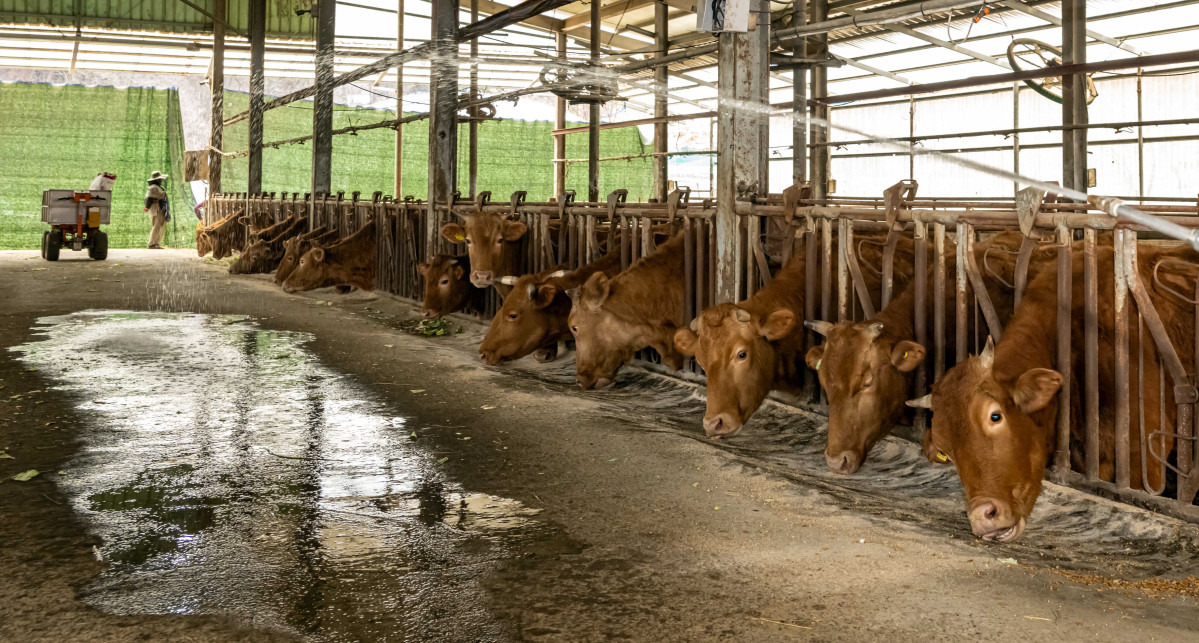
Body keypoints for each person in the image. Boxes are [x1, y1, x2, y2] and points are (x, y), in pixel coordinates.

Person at [143, 170, 170, 249]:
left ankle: (156, 243)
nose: (161, 180)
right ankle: (152, 243)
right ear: (156, 179)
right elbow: (149, 198)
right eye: (159, 179)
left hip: (161, 208)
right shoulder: (153, 188)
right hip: (156, 208)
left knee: (160, 225)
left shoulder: (159, 187)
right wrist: (147, 207)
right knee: (156, 225)